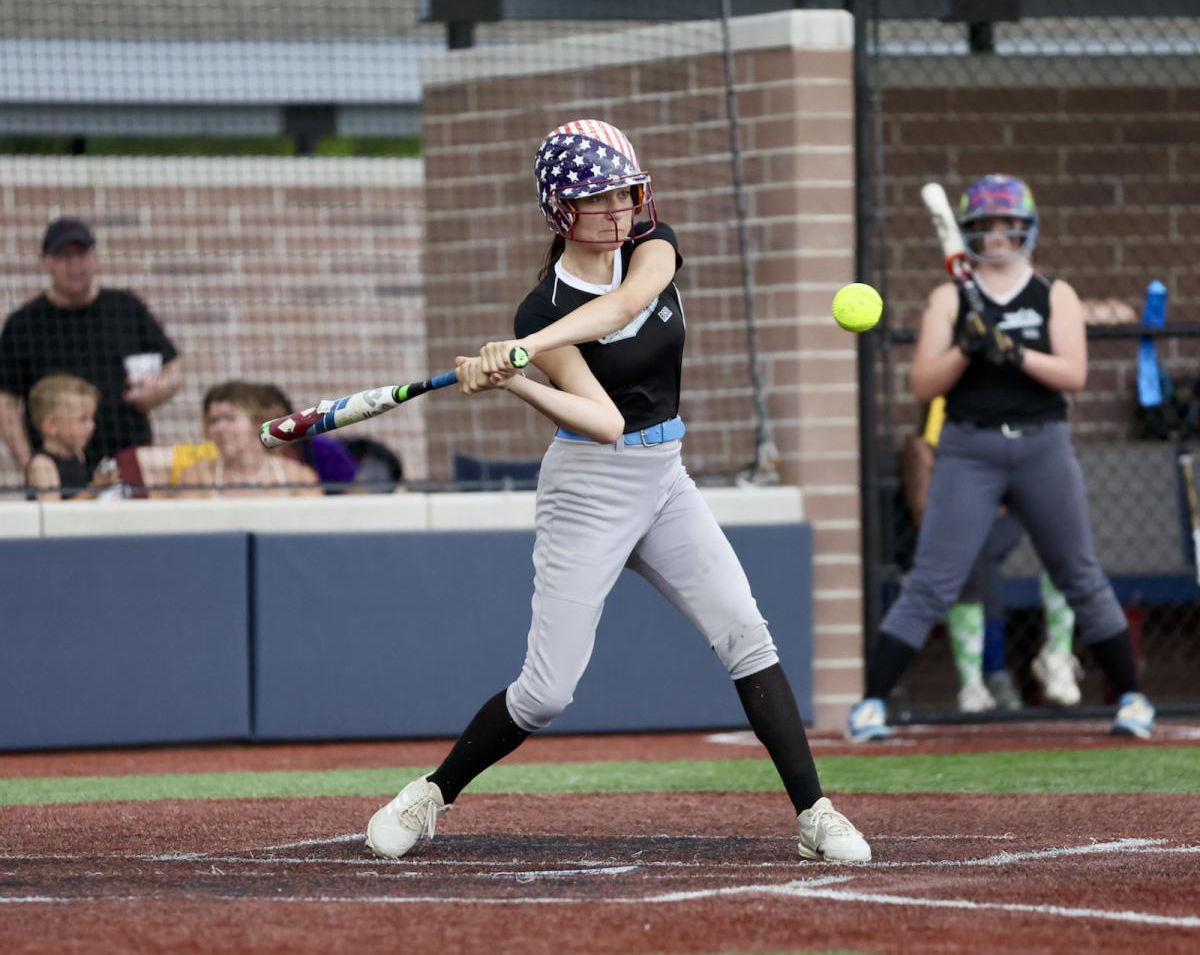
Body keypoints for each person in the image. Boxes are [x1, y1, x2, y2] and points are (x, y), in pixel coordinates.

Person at [365, 118, 870, 864]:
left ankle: (814, 814)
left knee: (745, 632)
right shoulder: (541, 311)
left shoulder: (651, 244)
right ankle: (431, 793)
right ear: (563, 211)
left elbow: (630, 304)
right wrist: (521, 383)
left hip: (666, 475)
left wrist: (523, 354)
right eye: (600, 199)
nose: (621, 209)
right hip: (590, 489)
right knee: (545, 695)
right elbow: (600, 422)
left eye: (626, 193)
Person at [848, 174, 1155, 740]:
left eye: (1006, 223)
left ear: (1026, 226)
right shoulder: (948, 299)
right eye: (985, 225)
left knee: (1078, 573)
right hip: (969, 449)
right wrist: (968, 346)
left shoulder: (1052, 293)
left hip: (1042, 444)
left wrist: (1015, 352)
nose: (996, 234)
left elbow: (1074, 374)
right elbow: (922, 385)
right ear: (968, 231)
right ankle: (871, 704)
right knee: (934, 580)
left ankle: (1132, 698)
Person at [903, 397, 1080, 713]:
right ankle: (984, 679)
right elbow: (923, 450)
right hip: (969, 511)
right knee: (976, 552)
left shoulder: (1033, 391)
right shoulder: (950, 396)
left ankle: (1056, 655)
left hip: (1016, 507)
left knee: (1064, 545)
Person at [0, 218, 182, 475]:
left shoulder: (126, 308)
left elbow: (174, 368)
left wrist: (156, 391)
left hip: (128, 459)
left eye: (81, 254)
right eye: (64, 256)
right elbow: (5, 404)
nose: (74, 264)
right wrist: (30, 465)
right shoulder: (24, 324)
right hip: (60, 468)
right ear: (46, 263)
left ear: (95, 258)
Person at [176, 381, 320, 498]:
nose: (219, 428)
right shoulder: (197, 477)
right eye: (213, 421)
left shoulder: (297, 476)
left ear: (257, 423)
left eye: (230, 418)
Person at [23, 373, 118, 500]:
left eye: (91, 418)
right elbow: (53, 515)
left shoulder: (78, 455)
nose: (92, 426)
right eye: (82, 419)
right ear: (51, 426)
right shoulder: (42, 465)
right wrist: (94, 488)